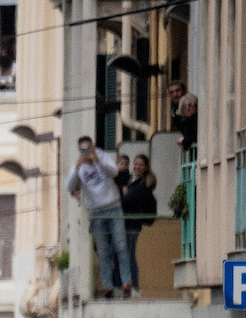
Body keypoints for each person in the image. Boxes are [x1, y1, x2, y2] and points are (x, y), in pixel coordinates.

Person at [65, 136, 131, 298]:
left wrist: (97, 161)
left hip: (114, 208)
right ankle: (107, 285)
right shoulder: (79, 167)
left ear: (93, 147)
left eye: (88, 149)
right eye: (83, 150)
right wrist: (76, 166)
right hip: (96, 212)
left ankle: (126, 282)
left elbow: (114, 171)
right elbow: (69, 185)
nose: (86, 153)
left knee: (120, 245)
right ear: (79, 151)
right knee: (102, 251)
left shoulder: (102, 156)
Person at [117, 154, 158, 293]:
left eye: (140, 165)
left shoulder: (143, 185)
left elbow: (127, 201)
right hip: (124, 223)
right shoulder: (130, 180)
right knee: (123, 254)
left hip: (132, 225)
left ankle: (134, 287)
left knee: (129, 254)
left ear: (145, 168)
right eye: (135, 164)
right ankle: (125, 285)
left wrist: (124, 195)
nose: (137, 167)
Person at [168, 81, 197, 150]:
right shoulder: (174, 110)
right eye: (172, 92)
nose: (175, 94)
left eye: (177, 91)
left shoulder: (189, 101)